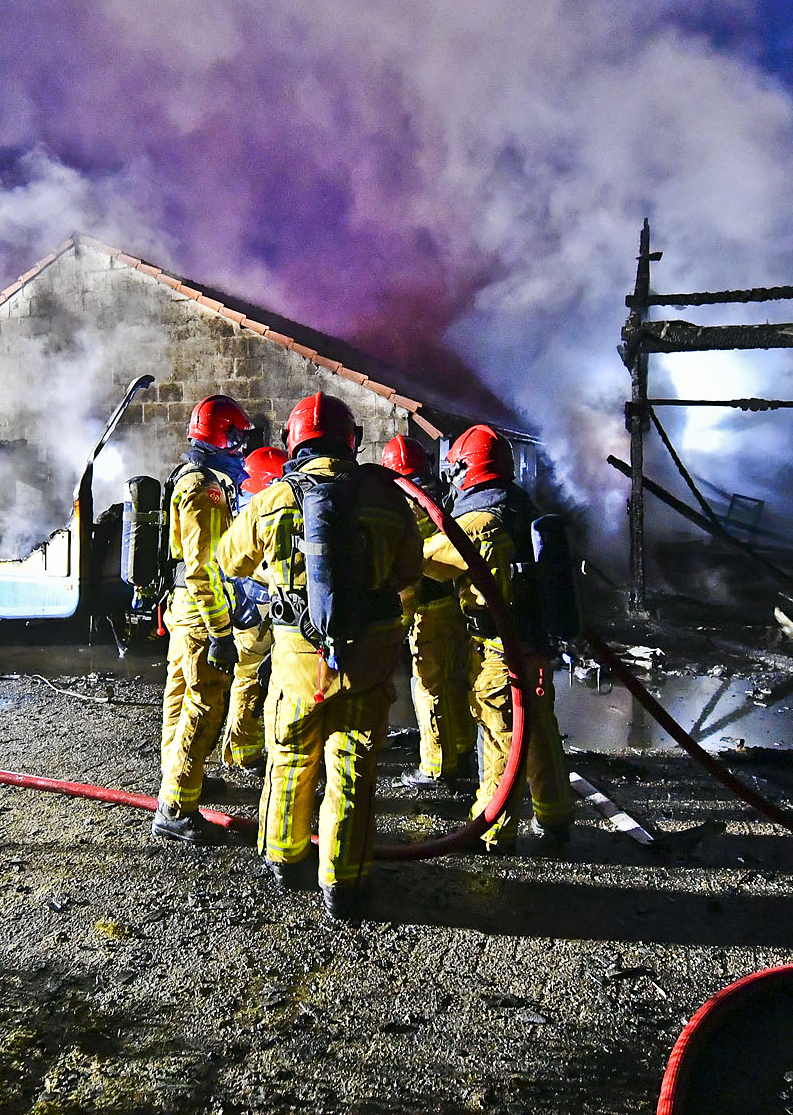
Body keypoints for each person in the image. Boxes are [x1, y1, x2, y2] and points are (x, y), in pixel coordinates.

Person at [217, 393, 421, 918]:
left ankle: (285, 859)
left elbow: (229, 560)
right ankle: (342, 883)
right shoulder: (386, 499)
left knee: (289, 756)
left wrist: (276, 573)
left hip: (297, 659)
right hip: (367, 658)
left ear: (293, 442)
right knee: (351, 766)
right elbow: (408, 573)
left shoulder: (273, 499)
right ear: (351, 441)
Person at [420, 424, 574, 853]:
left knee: (500, 734)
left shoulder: (479, 523)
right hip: (534, 645)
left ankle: (492, 831)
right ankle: (555, 816)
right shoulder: (521, 506)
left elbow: (425, 562)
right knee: (539, 731)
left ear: (467, 469)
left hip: (498, 652)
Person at [153, 394, 254, 844]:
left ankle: (178, 777)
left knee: (178, 695)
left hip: (183, 605)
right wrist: (220, 632)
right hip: (200, 611)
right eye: (238, 438)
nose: (242, 447)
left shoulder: (189, 475)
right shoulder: (205, 489)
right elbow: (203, 567)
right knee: (203, 702)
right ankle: (176, 808)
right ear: (223, 436)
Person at [380, 435, 474, 791]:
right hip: (454, 606)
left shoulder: (404, 507)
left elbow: (409, 570)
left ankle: (436, 766)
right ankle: (462, 749)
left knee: (428, 687)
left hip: (425, 611)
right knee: (455, 680)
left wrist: (398, 625)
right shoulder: (442, 497)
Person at [217, 445, 287, 773]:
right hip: (257, 612)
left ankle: (250, 746)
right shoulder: (259, 513)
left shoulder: (245, 508)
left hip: (256, 609)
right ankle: (243, 751)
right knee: (251, 678)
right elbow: (261, 568)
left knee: (256, 678)